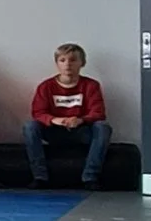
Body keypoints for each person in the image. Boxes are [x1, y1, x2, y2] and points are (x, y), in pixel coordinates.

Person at [25, 42, 111, 188]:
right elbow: (38, 112)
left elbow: (98, 112)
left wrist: (81, 120)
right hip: (54, 131)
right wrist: (54, 120)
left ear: (82, 63)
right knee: (29, 126)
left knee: (103, 127)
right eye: (63, 60)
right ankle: (40, 177)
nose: (67, 65)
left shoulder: (91, 85)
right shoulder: (46, 86)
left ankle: (90, 177)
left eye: (73, 60)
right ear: (57, 63)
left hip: (81, 131)